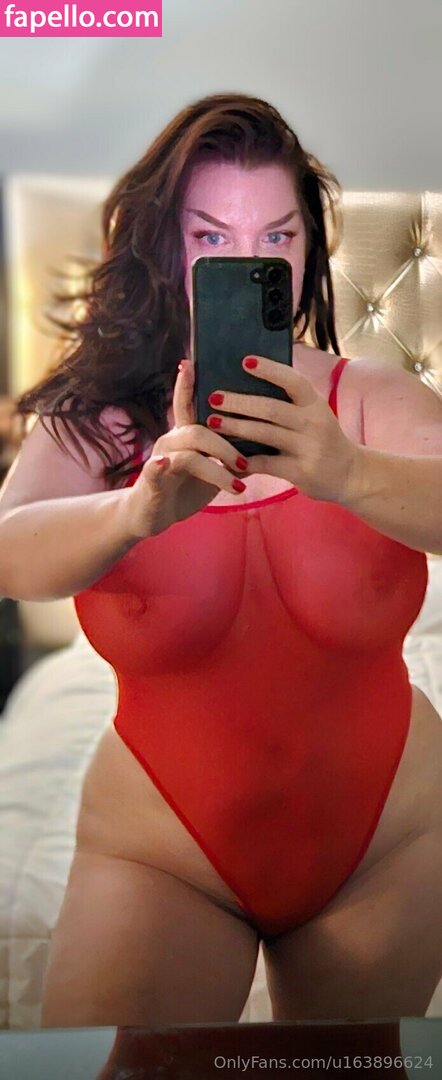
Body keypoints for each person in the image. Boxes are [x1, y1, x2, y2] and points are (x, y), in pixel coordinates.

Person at [1, 93, 442, 1029]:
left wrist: (349, 473)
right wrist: (134, 512)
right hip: (164, 853)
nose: (247, 261)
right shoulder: (100, 421)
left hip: (393, 841)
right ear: (164, 247)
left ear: (309, 252)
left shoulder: (367, 400)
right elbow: (9, 555)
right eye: (211, 237)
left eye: (276, 237)